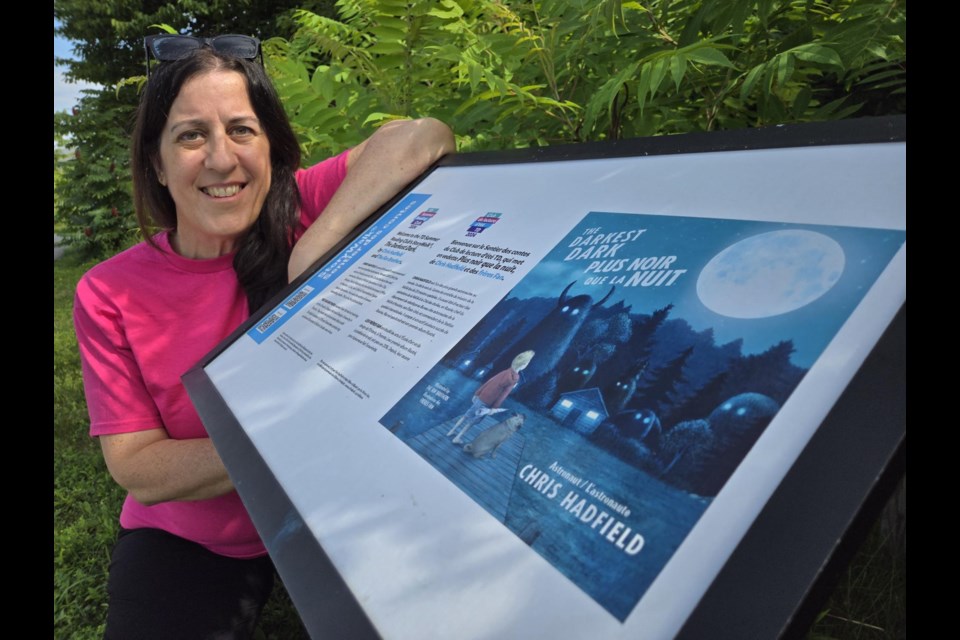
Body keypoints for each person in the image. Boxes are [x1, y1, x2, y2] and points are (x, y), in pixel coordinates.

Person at [73, 33, 455, 640]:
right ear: (156, 162)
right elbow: (141, 468)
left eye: (242, 130)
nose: (222, 159)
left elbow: (422, 135)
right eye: (191, 135)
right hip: (197, 533)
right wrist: (298, 433)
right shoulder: (108, 291)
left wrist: (311, 252)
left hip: (334, 512)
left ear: (272, 145)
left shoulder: (302, 209)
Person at [447, 350, 535, 443]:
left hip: (482, 396)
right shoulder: (514, 379)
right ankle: (457, 438)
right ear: (524, 364)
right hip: (488, 403)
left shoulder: (506, 371)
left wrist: (477, 392)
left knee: (467, 415)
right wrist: (494, 408)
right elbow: (503, 395)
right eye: (528, 362)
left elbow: (490, 381)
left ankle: (451, 431)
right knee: (473, 421)